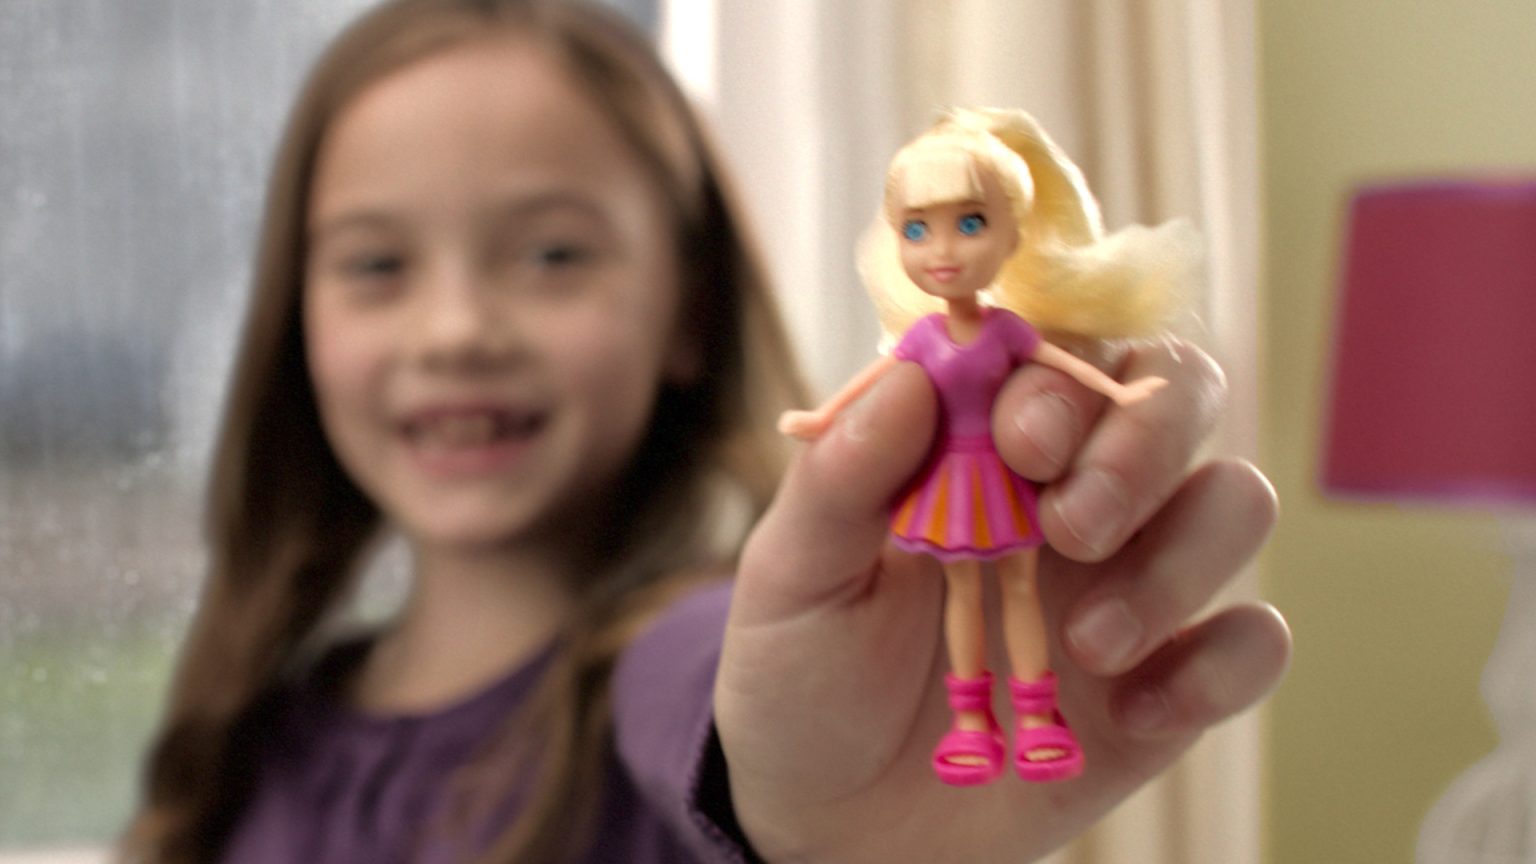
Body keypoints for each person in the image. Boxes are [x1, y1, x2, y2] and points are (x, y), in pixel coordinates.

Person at [122, 0, 1290, 862]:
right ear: (299, 319)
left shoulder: (696, 667)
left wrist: (820, 821)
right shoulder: (257, 739)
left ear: (688, 309)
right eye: (377, 264)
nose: (457, 329)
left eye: (552, 253)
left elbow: (727, 707)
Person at [779, 108, 1193, 787]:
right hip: (949, 481)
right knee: (963, 595)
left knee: (1021, 588)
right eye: (918, 229)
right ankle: (970, 721)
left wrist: (1117, 392)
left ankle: (1037, 716)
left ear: (1013, 235)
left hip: (1001, 477)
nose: (942, 249)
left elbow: (1064, 365)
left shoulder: (1007, 332)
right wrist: (823, 417)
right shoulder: (923, 338)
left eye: (970, 223)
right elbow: (875, 379)